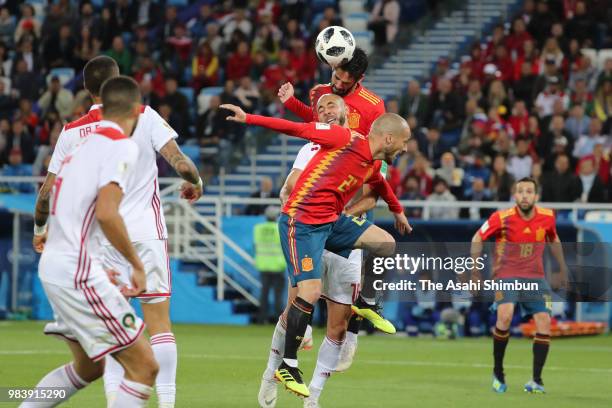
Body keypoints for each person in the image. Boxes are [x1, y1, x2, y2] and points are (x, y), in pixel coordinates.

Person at [32, 56, 203, 408]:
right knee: (158, 324)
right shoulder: (144, 117)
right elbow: (180, 161)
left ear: (86, 88)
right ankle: (166, 404)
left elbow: (45, 194)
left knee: (109, 342)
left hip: (92, 245)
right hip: (141, 233)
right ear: (120, 84)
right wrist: (194, 181)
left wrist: (40, 228)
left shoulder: (73, 131)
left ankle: (113, 398)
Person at [222, 98, 412, 399]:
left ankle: (365, 301)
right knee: (308, 293)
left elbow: (379, 182)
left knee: (386, 243)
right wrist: (249, 119)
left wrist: (397, 209)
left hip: (331, 221)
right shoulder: (344, 138)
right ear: (389, 138)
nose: (405, 148)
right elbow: (295, 128)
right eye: (404, 142)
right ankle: (287, 364)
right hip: (302, 223)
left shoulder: (373, 162)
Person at [22, 76, 159, 408]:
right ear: (137, 114)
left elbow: (62, 208)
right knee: (144, 366)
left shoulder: (79, 147)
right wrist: (137, 267)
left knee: (89, 367)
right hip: (76, 270)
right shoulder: (123, 146)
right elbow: (107, 214)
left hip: (55, 266)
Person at [277, 47, 390, 374]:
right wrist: (292, 105)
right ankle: (290, 349)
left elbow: (374, 173)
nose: (337, 84)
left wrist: (350, 206)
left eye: (344, 80)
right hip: (317, 205)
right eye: (335, 76)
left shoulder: (373, 107)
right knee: (301, 287)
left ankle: (351, 331)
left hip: (349, 196)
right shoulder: (320, 95)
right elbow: (314, 126)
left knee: (344, 298)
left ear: (359, 79)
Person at [471, 177, 568, 394]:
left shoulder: (547, 217)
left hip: (535, 277)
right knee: (505, 315)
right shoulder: (501, 217)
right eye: (521, 191)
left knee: (544, 322)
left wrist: (562, 268)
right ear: (515, 196)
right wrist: (475, 271)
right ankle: (498, 373)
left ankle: (536, 380)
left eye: (529, 191)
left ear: (536, 196)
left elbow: (554, 239)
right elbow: (478, 237)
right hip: (506, 274)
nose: (525, 195)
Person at [255, 206, 287, 324]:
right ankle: (279, 322)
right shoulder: (280, 228)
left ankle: (261, 319)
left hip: (263, 266)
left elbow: (255, 245)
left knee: (264, 294)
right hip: (278, 267)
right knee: (278, 296)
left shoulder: (258, 228)